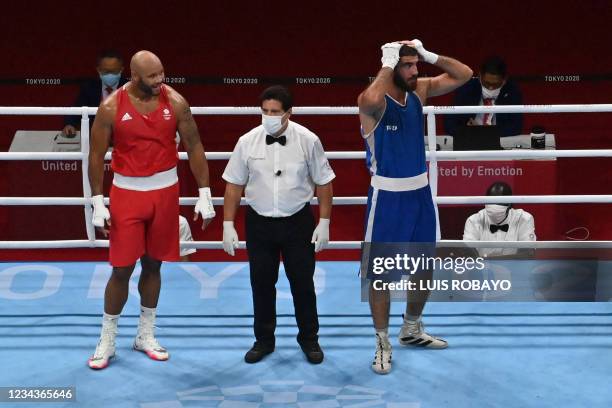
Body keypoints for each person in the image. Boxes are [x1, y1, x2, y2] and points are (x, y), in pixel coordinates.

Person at [87, 50, 215, 369]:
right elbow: (95, 155)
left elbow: (194, 144)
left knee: (154, 265)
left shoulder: (176, 102)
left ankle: (145, 334)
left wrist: (205, 192)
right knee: (121, 269)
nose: (160, 81)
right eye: (153, 76)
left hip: (165, 193)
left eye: (161, 73)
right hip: (127, 193)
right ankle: (108, 338)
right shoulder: (112, 107)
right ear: (135, 77)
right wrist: (97, 202)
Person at [358, 39, 472, 374]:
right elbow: (369, 99)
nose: (414, 71)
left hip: (420, 193)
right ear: (391, 67)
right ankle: (382, 341)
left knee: (423, 266)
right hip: (387, 198)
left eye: (415, 65)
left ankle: (411, 328)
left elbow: (464, 75)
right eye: (407, 66)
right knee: (381, 276)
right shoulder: (374, 102)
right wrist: (386, 62)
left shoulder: (418, 91)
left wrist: (429, 54)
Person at [222, 85, 335, 365]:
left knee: (302, 284)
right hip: (259, 223)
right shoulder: (247, 141)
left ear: (288, 113)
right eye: (265, 111)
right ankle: (263, 340)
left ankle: (309, 339)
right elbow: (234, 185)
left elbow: (324, 182)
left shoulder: (308, 140)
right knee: (261, 283)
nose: (269, 116)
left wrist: (324, 222)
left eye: (275, 112)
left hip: (298, 222)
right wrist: (227, 223)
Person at [444, 56, 523, 137]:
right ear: (480, 76)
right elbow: (449, 124)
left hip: (499, 140)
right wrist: (466, 130)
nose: (490, 88)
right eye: (487, 83)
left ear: (504, 80)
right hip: (470, 139)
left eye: (495, 84)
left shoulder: (512, 92)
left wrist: (487, 132)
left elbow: (516, 127)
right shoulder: (466, 89)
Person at [62, 50, 127, 136]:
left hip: (124, 137)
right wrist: (69, 124)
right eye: (106, 72)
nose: (110, 75)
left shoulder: (130, 89)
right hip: (96, 138)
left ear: (121, 70)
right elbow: (76, 110)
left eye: (114, 71)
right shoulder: (89, 88)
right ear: (99, 70)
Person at [463, 181, 536, 257]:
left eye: (499, 202)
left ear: (510, 204)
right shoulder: (473, 220)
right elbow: (468, 254)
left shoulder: (524, 219)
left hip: (515, 267)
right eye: (491, 202)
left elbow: (528, 253)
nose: (494, 206)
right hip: (483, 268)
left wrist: (492, 263)